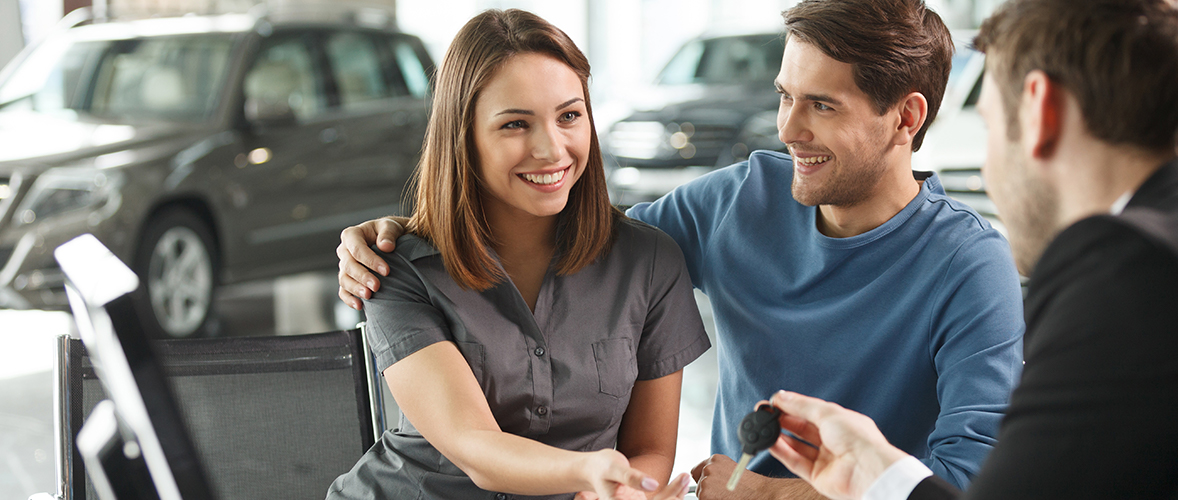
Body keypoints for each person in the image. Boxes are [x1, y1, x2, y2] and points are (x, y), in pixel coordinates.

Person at [336, 1, 1026, 498]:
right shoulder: (733, 202)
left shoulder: (971, 266)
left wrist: (768, 497)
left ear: (906, 117)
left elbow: (969, 480)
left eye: (823, 106)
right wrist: (400, 232)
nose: (787, 128)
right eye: (785, 96)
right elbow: (567, 234)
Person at [761, 0, 1178, 499]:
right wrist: (871, 471)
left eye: (990, 126)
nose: (990, 172)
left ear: (1040, 108)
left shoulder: (1130, 271)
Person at [325, 9, 708, 500]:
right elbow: (474, 444)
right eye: (515, 124)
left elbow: (650, 449)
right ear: (463, 138)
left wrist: (625, 490)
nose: (552, 149)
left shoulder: (649, 262)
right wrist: (590, 473)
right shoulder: (397, 269)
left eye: (569, 116)